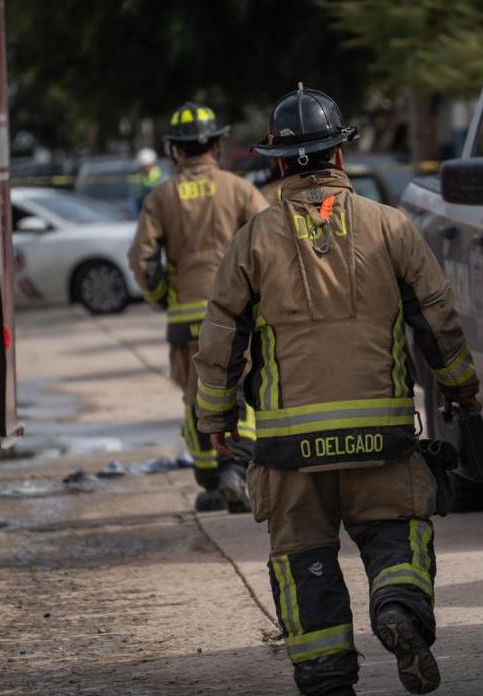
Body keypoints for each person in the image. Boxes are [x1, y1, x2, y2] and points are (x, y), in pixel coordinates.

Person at [194, 84, 479, 696]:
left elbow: (220, 334)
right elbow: (437, 318)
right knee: (395, 531)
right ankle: (397, 606)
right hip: (382, 436)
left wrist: (214, 415)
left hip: (291, 449)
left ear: (276, 163)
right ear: (340, 156)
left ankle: (326, 676)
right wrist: (462, 387)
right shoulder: (392, 227)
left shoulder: (252, 239)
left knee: (305, 558)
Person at [128, 102, 268, 512]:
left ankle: (210, 482)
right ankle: (237, 472)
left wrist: (160, 299)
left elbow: (141, 258)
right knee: (243, 390)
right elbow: (269, 241)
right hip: (240, 315)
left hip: (187, 320)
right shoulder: (239, 189)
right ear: (215, 145)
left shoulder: (161, 196)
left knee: (197, 398)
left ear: (176, 151)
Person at [129, 147, 163, 218]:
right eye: (143, 166)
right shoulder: (139, 174)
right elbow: (135, 193)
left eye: (146, 166)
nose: (145, 168)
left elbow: (151, 186)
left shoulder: (157, 173)